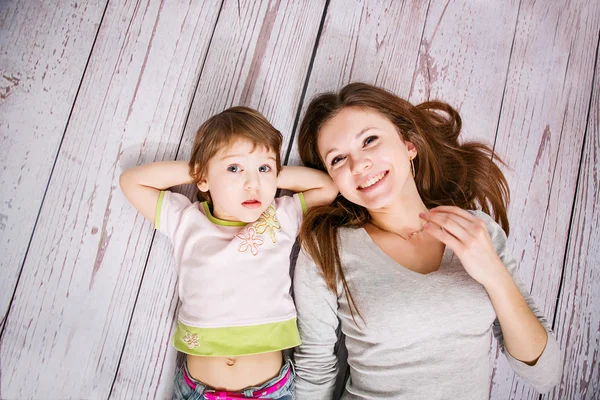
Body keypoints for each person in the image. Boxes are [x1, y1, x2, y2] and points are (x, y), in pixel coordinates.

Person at [292, 82, 562, 399]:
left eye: (369, 140)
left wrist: (493, 274)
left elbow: (546, 375)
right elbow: (314, 372)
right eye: (337, 159)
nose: (358, 165)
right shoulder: (326, 249)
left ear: (409, 145)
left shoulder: (476, 231)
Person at [120, 106, 338, 400]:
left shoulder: (279, 217)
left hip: (269, 391)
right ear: (204, 179)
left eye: (264, 168)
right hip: (198, 391)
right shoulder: (186, 220)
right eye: (234, 169)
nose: (252, 183)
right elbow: (132, 182)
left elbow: (326, 186)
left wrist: (269, 176)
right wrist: (203, 169)